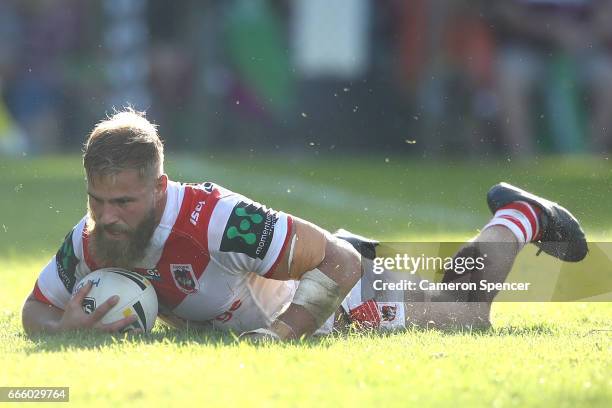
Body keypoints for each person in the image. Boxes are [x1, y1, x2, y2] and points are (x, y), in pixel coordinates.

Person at [21, 108, 588, 340]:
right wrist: (69, 329)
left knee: (463, 318)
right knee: (451, 303)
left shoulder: (220, 222)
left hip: (334, 289)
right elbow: (34, 311)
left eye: (124, 202)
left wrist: (279, 337)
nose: (108, 217)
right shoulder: (90, 239)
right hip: (301, 288)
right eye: (97, 199)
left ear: (160, 187)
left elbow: (337, 265)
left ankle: (520, 216)